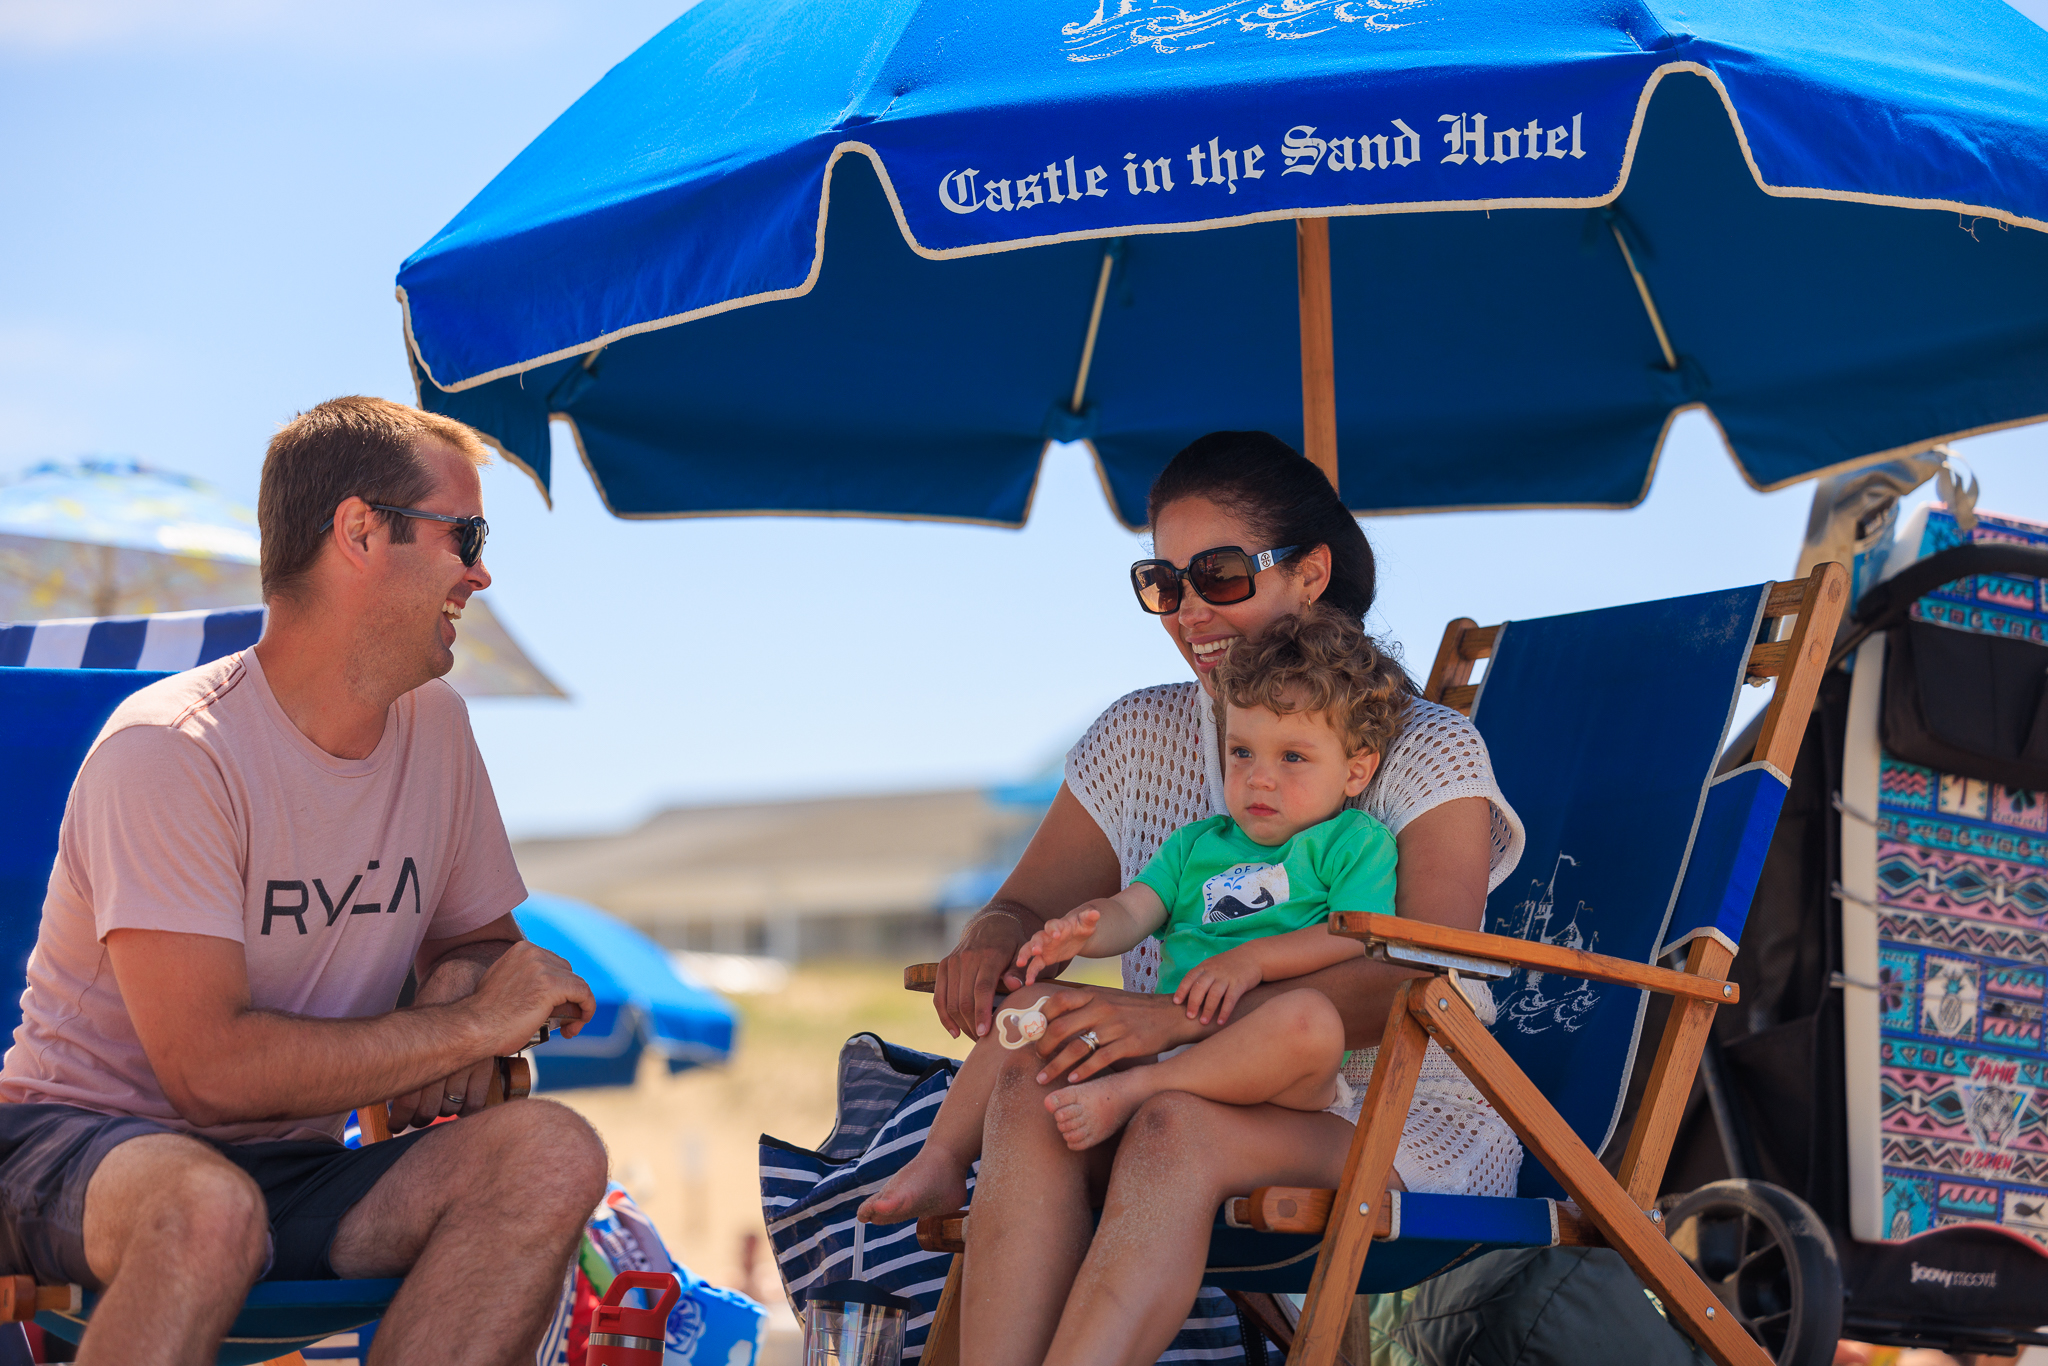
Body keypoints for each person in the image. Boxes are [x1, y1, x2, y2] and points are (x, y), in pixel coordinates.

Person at [0, 396, 608, 1366]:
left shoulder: (437, 729)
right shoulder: (172, 748)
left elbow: (478, 944)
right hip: (73, 1147)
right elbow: (211, 1072)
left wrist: (462, 978)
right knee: (205, 1207)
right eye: (467, 535)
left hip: (292, 1168)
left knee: (550, 1152)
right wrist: (469, 1026)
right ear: (361, 530)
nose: (482, 572)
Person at [922, 431, 1527, 1366]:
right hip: (1172, 1079)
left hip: (1387, 1109)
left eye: (1219, 575)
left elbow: (1425, 982)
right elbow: (1023, 903)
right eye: (1163, 583)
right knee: (1036, 1094)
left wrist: (1172, 1021)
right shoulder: (1140, 735)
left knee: (1171, 1129)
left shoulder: (1428, 750)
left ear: (1312, 572)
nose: (1187, 610)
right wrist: (993, 941)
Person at [863, 607, 1424, 1221]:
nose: (1260, 780)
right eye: (1242, 753)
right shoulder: (1195, 846)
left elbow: (1353, 938)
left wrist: (1253, 959)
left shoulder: (1353, 842)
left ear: (1357, 769)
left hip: (1270, 1071)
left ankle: (1130, 1094)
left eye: (1292, 758)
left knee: (1303, 1019)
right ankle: (941, 1158)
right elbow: (1135, 911)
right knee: (1030, 1005)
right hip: (1171, 1046)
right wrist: (1084, 928)